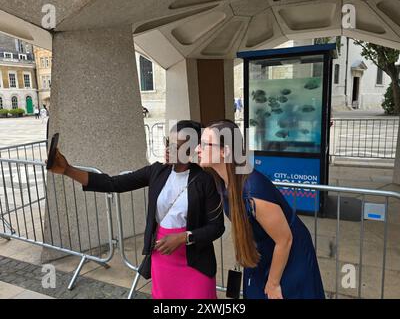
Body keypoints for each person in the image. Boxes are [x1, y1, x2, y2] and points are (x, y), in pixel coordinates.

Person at [46, 120, 224, 299]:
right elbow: (113, 183)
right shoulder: (156, 171)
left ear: (191, 149)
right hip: (162, 259)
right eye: (167, 142)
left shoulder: (204, 181)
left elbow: (216, 227)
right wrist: (68, 170)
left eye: (177, 146)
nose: (169, 149)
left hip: (196, 263)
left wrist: (183, 237)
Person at [195, 119, 325, 299]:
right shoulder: (223, 182)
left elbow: (285, 240)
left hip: (289, 256)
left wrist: (273, 283)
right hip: (261, 253)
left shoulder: (253, 191)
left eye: (204, 144)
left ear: (224, 151)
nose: (196, 149)